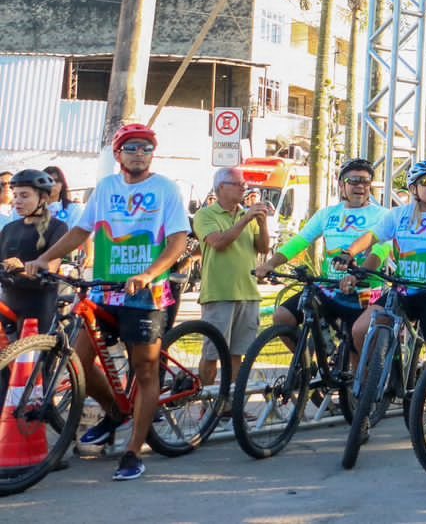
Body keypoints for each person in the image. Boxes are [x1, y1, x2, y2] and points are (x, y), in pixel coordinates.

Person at [24, 122, 191, 481]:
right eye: (131, 148)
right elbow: (82, 230)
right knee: (80, 363)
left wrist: (149, 273)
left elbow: (178, 240)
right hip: (104, 288)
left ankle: (133, 452)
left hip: (147, 291)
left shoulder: (164, 189)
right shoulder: (106, 188)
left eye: (146, 148)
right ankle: (116, 411)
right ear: (118, 154)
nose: (139, 154)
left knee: (144, 369)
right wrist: (44, 259)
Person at [343, 160, 426, 453]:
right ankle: (380, 377)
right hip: (403, 292)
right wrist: (349, 252)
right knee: (362, 329)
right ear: (413, 188)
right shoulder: (398, 215)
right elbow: (372, 237)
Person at [255, 158, 388, 336]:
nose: (360, 186)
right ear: (341, 185)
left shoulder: (383, 215)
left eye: (365, 181)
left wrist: (357, 275)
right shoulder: (327, 214)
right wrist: (270, 263)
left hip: (365, 291)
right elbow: (300, 241)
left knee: (356, 347)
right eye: (353, 181)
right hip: (330, 287)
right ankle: (307, 361)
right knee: (282, 316)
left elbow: (381, 250)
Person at [192, 167, 274, 390]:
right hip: (219, 293)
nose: (244, 188)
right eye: (238, 184)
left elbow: (263, 248)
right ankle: (206, 405)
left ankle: (230, 404)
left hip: (248, 292)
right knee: (212, 353)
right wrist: (245, 220)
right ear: (221, 188)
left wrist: (262, 223)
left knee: (237, 353)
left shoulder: (245, 214)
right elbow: (218, 242)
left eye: (244, 185)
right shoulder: (205, 215)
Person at [0, 168, 71, 334]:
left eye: (24, 196)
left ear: (43, 198)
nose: (17, 201)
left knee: (30, 359)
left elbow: (50, 268)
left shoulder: (58, 227)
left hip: (38, 306)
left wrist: (21, 268)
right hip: (8, 301)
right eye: (15, 195)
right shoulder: (9, 228)